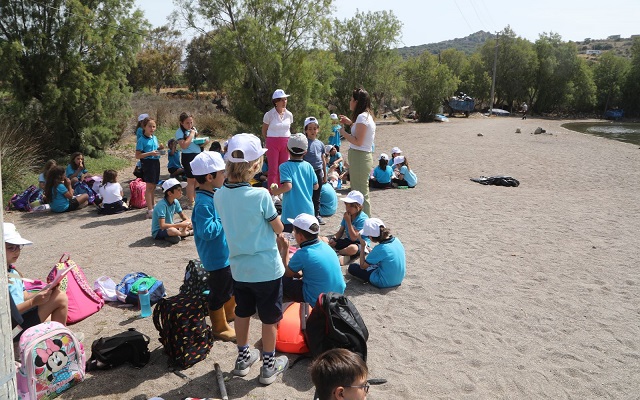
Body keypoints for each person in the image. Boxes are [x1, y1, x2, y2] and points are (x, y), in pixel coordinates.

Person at [213, 133, 289, 385]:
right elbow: (277, 228)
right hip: (266, 269)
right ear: (255, 165)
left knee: (243, 312)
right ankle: (269, 365)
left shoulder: (218, 195)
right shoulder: (261, 196)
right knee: (269, 319)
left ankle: (243, 357)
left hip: (239, 268)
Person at [190, 151, 235, 341]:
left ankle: (229, 313)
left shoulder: (213, 194)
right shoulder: (202, 204)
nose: (224, 175)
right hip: (216, 258)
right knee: (218, 292)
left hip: (225, 253)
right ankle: (218, 326)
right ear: (209, 177)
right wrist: (224, 217)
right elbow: (206, 232)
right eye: (221, 172)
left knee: (230, 285)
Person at [5, 223, 69, 339]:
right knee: (60, 298)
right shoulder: (2, 279)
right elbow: (8, 313)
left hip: (19, 320)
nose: (16, 251)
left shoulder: (11, 271)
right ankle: (62, 342)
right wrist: (33, 302)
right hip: (10, 330)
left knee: (51, 315)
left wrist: (43, 292)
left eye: (18, 246)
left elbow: (24, 296)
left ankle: (59, 338)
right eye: (11, 247)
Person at [277, 213, 345, 307]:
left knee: (281, 278)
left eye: (294, 232)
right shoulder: (325, 245)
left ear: (300, 236)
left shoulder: (304, 253)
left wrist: (285, 249)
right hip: (337, 294)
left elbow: (287, 273)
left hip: (316, 299)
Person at [339, 88, 376, 215]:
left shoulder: (362, 117)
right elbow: (361, 134)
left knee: (360, 194)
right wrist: (350, 123)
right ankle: (362, 223)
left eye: (351, 99)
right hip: (360, 158)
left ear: (356, 101)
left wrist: (343, 133)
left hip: (360, 158)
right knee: (358, 192)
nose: (350, 101)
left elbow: (358, 141)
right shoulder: (364, 116)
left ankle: (367, 225)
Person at [270, 133, 317, 233]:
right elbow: (316, 186)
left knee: (285, 240)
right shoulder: (309, 166)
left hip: (291, 212)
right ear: (305, 152)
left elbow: (288, 186)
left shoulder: (284, 166)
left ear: (287, 149)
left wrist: (276, 191)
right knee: (307, 241)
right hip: (308, 211)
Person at [348, 218, 406, 288]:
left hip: (384, 282)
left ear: (371, 237)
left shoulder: (380, 248)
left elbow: (362, 266)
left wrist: (362, 246)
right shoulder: (397, 240)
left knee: (352, 267)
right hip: (398, 279)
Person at [325, 190, 370, 265]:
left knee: (353, 248)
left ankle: (338, 253)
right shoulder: (348, 215)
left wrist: (349, 222)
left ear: (359, 206)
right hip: (348, 241)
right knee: (324, 240)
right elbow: (340, 232)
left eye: (351, 206)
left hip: (361, 243)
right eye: (346, 205)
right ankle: (345, 255)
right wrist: (334, 238)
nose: (347, 208)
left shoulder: (363, 219)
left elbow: (354, 238)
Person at [176, 112, 208, 209]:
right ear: (181, 123)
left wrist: (204, 143)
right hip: (188, 157)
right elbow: (184, 145)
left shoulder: (193, 129)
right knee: (191, 180)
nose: (190, 125)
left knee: (198, 179)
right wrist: (192, 134)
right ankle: (191, 202)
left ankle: (197, 199)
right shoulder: (180, 132)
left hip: (197, 155)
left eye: (191, 122)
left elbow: (196, 142)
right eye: (187, 123)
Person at [262, 89, 293, 189]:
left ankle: (281, 190)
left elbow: (288, 128)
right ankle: (272, 191)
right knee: (273, 169)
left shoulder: (289, 114)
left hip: (285, 142)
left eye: (285, 99)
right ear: (276, 102)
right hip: (272, 142)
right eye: (282, 100)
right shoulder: (269, 115)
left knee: (283, 168)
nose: (284, 102)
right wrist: (269, 141)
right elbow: (264, 130)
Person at [136, 117, 163, 218]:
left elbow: (155, 149)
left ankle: (153, 205)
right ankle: (150, 209)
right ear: (144, 127)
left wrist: (159, 148)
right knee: (149, 187)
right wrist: (150, 153)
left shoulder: (154, 138)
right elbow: (137, 155)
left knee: (154, 186)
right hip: (147, 164)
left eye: (154, 126)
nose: (152, 128)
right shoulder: (141, 140)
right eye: (149, 126)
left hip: (156, 162)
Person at [151, 178, 192, 245]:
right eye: (178, 190)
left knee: (192, 221)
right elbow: (162, 225)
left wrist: (187, 222)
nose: (181, 192)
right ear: (170, 193)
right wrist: (181, 225)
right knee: (172, 231)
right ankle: (186, 233)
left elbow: (182, 215)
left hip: (171, 226)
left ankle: (179, 233)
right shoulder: (162, 205)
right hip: (159, 231)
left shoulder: (175, 201)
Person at [303, 116, 327, 224]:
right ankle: (307, 215)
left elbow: (323, 160)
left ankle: (316, 215)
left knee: (317, 195)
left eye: (314, 128)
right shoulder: (304, 143)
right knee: (307, 194)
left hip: (318, 172)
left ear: (318, 129)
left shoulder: (320, 144)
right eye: (310, 128)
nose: (312, 131)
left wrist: (325, 174)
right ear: (306, 131)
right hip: (307, 172)